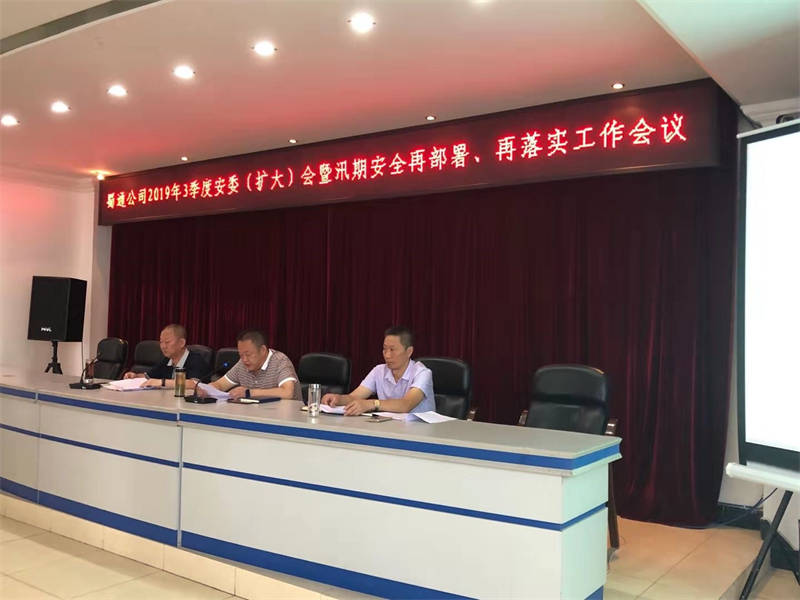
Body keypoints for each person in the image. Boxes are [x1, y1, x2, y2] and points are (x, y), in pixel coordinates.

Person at [321, 326, 434, 416]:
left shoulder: (422, 373)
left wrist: (371, 404)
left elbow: (406, 405)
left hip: (420, 432)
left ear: (409, 351)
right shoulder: (379, 370)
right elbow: (354, 397)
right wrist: (338, 399)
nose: (387, 355)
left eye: (392, 350)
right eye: (384, 349)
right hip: (389, 428)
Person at [202, 329, 300, 401]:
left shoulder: (280, 361)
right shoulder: (242, 363)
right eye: (241, 355)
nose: (244, 360)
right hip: (255, 415)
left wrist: (250, 392)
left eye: (248, 355)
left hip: (285, 418)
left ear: (263, 350)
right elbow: (220, 385)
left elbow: (288, 392)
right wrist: (205, 389)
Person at [123, 324, 209, 388]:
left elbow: (194, 384)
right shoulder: (167, 360)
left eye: (167, 342)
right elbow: (149, 377)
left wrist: (162, 382)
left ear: (182, 343)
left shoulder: (196, 360)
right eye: (161, 342)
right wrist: (135, 376)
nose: (163, 346)